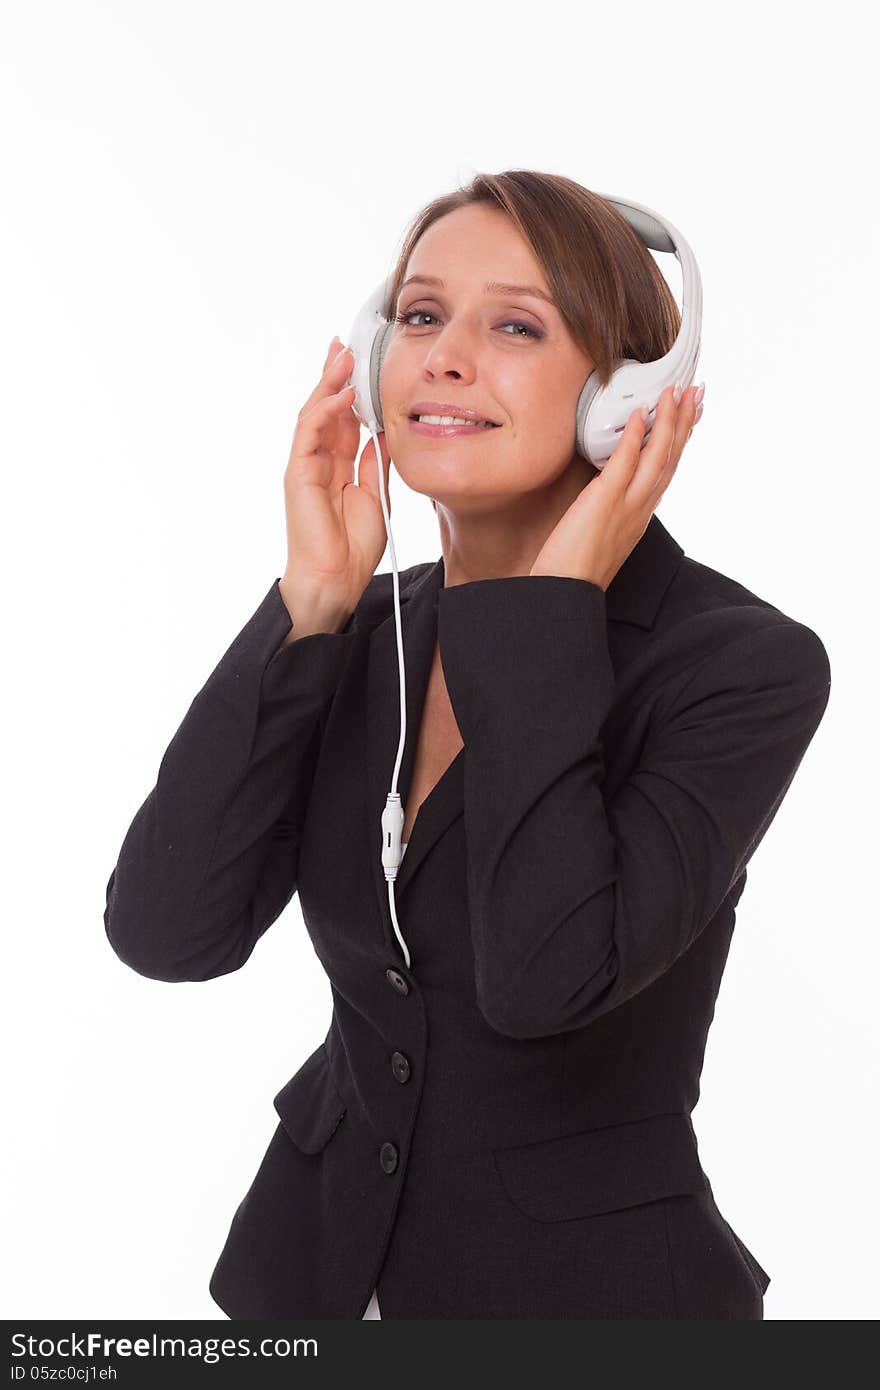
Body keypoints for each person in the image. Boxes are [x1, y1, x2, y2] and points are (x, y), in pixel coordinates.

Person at [104, 172, 831, 1319]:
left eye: (515, 325)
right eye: (421, 314)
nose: (442, 356)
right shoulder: (362, 628)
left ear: (624, 396)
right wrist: (309, 604)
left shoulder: (737, 666)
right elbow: (165, 930)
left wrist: (544, 616)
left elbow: (544, 982)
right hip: (314, 1274)